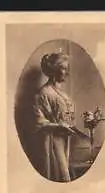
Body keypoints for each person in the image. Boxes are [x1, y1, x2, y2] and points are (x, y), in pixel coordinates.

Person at [32, 51, 76, 182]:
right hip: (52, 142)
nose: (66, 72)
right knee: (60, 175)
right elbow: (39, 122)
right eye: (63, 68)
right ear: (53, 70)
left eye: (66, 69)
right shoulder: (43, 93)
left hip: (66, 141)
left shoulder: (64, 94)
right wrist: (58, 127)